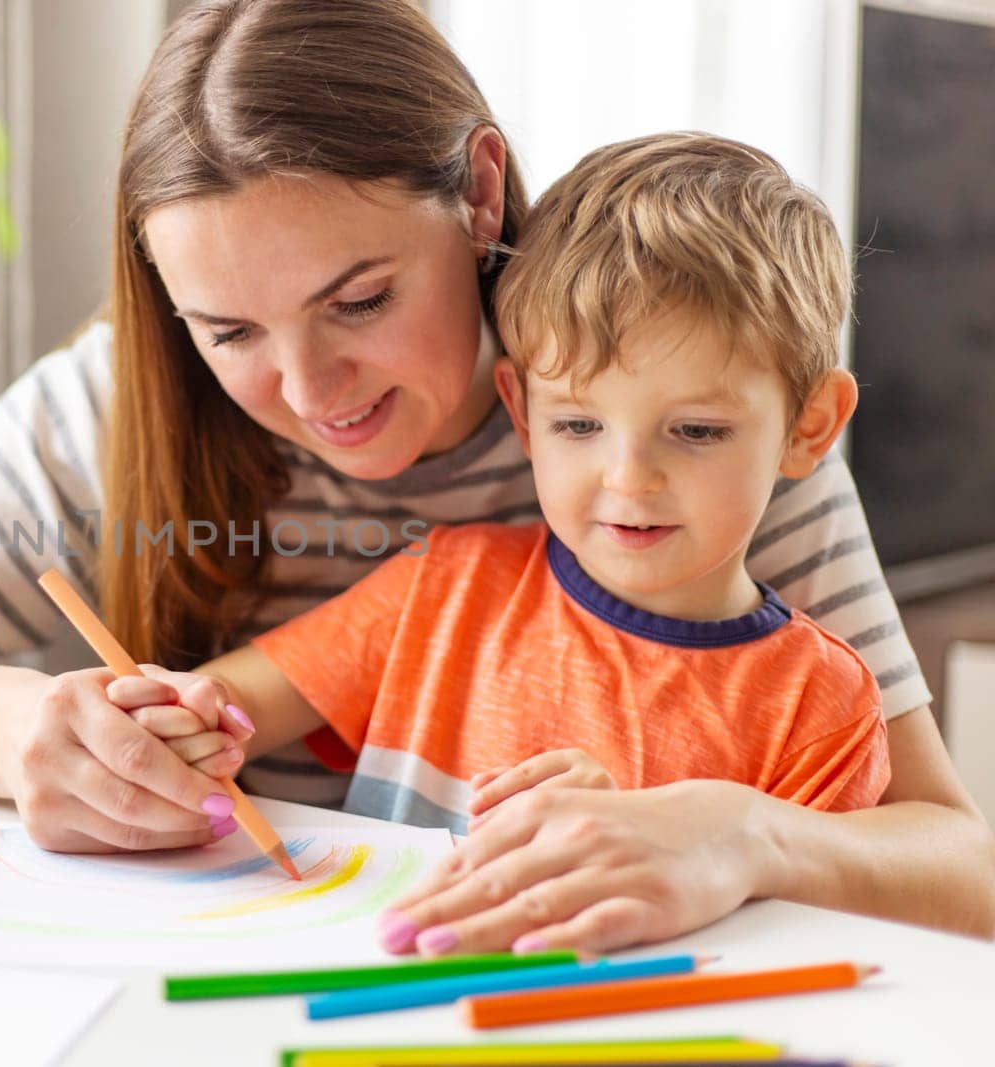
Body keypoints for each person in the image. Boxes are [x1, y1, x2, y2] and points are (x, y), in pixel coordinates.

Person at [0, 0, 995, 946]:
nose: (312, 394)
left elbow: (956, 854)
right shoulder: (122, 403)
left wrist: (750, 833)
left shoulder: (683, 402)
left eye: (359, 298)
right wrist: (16, 729)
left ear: (481, 194)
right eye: (231, 331)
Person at [113, 132, 893, 958]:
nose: (629, 479)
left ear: (809, 427)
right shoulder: (441, 587)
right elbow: (226, 704)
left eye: (696, 430)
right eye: (578, 424)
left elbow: (819, 945)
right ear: (523, 413)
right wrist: (186, 723)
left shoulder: (824, 707)